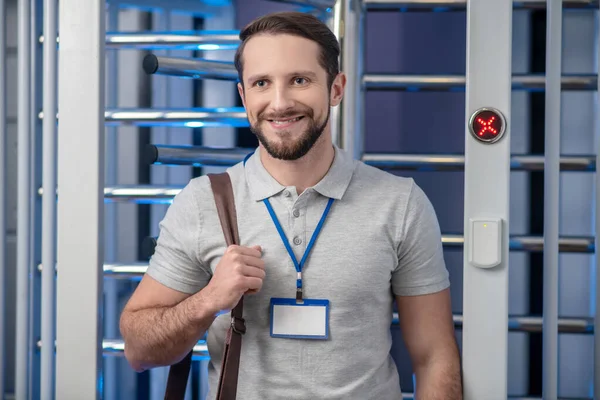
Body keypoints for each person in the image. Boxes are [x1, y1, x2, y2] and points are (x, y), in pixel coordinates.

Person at [120, 10, 462, 400]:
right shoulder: (202, 202)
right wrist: (209, 300)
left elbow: (435, 358)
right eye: (262, 83)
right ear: (244, 96)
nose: (279, 103)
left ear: (336, 89)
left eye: (300, 80)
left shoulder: (400, 203)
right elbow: (139, 351)